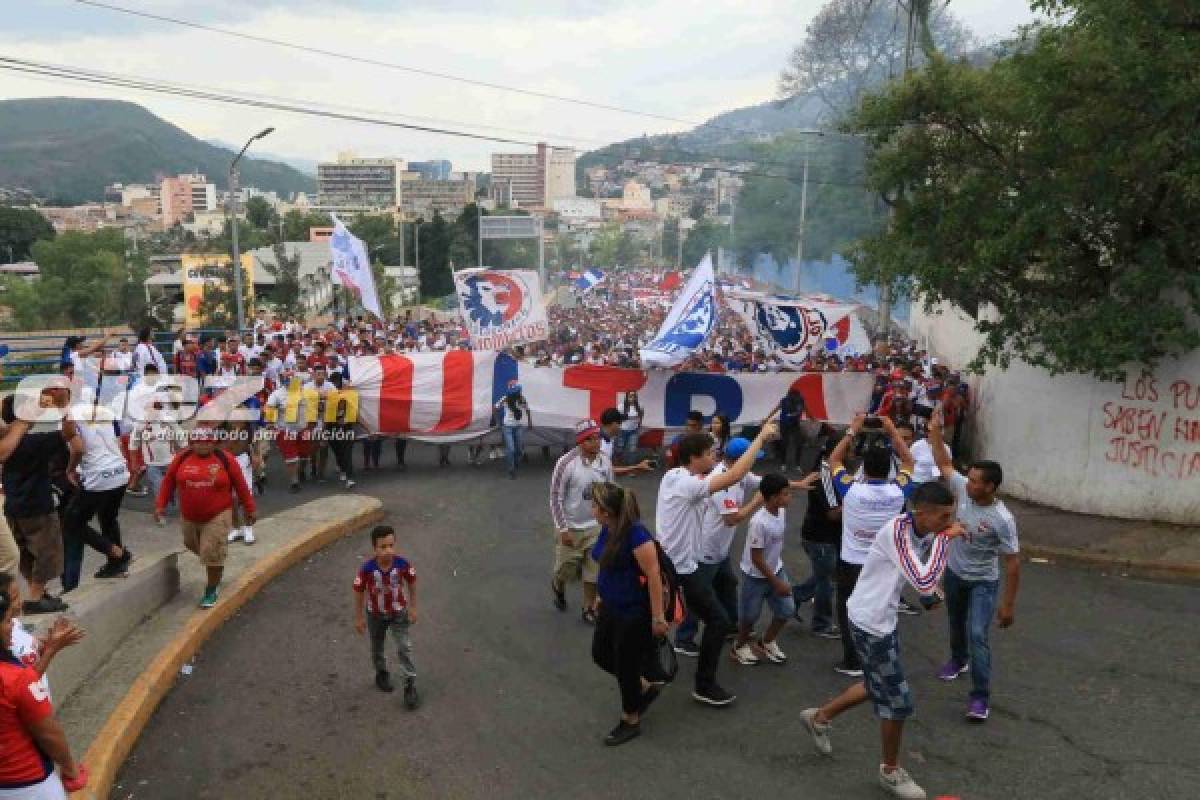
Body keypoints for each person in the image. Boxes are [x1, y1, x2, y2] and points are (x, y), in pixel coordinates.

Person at [800, 482, 966, 800]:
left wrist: (931, 593)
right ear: (922, 512)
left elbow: (916, 576)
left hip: (879, 617)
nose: (949, 522)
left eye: (951, 516)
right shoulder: (898, 531)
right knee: (898, 702)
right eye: (944, 517)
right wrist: (945, 542)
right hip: (871, 623)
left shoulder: (922, 530)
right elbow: (923, 579)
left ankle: (819, 718)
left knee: (876, 684)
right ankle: (890, 772)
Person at [654, 417, 779, 707]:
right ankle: (703, 683)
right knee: (717, 620)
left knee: (705, 612)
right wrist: (760, 438)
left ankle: (663, 664)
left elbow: (735, 475)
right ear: (694, 458)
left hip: (679, 563)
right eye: (709, 454)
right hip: (680, 567)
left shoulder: (680, 477)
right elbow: (734, 476)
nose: (715, 457)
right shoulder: (685, 483)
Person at [927, 413, 1020, 721]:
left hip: (983, 582)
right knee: (955, 623)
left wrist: (1007, 606)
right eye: (969, 478)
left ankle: (979, 698)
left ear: (990, 487)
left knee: (977, 634)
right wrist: (936, 433)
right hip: (955, 575)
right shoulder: (964, 489)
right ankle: (957, 660)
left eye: (976, 481)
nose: (968, 483)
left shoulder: (1002, 520)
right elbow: (944, 464)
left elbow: (1013, 562)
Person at [829, 414, 916, 677]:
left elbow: (834, 460)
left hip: (851, 562)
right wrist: (892, 430)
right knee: (881, 607)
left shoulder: (851, 489)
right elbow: (910, 461)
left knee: (846, 608)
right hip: (883, 562)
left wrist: (852, 430)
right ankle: (879, 654)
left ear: (864, 468)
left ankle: (852, 659)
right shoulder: (897, 491)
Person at [672, 436, 769, 657]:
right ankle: (683, 638)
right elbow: (732, 519)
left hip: (720, 549)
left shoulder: (740, 473)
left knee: (727, 585)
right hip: (706, 550)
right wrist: (756, 501)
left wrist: (791, 484)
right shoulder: (721, 482)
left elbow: (762, 481)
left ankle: (730, 626)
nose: (753, 463)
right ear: (738, 460)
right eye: (751, 458)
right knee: (699, 597)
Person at [589, 482, 667, 747]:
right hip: (611, 606)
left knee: (626, 666)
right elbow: (606, 564)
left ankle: (630, 719)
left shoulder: (637, 535)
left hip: (633, 613)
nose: (592, 510)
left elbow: (654, 576)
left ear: (607, 511)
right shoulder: (608, 529)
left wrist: (658, 617)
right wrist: (600, 595)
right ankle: (643, 687)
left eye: (595, 506)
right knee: (600, 654)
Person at [0, 574, 89, 797]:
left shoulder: (15, 630)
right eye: (11, 599)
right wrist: (70, 769)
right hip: (29, 781)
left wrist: (48, 644)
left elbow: (28, 656)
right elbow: (49, 735)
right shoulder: (13, 679)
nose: (18, 605)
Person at [155, 426, 256, 609]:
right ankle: (216, 559)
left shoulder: (226, 459)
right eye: (198, 442)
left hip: (218, 514)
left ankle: (212, 588)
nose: (203, 446)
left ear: (214, 443)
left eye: (207, 442)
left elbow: (241, 486)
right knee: (193, 545)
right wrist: (160, 505)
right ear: (191, 443)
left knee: (211, 552)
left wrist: (250, 509)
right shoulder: (182, 458)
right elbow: (168, 481)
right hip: (189, 516)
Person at [0, 394, 80, 611]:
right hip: (38, 504)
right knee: (48, 552)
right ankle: (35, 597)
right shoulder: (38, 441)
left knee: (24, 551)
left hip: (13, 504)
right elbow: (70, 433)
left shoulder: (4, 441)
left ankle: (39, 592)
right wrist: (64, 407)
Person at [549, 420, 614, 623]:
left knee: (593, 573)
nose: (596, 443)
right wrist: (562, 528)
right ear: (580, 442)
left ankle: (588, 608)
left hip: (596, 528)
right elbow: (555, 497)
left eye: (597, 438)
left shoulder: (605, 462)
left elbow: (611, 491)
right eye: (590, 440)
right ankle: (558, 587)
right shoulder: (566, 463)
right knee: (564, 571)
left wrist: (612, 522)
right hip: (571, 529)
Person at [63, 412, 135, 590]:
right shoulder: (103, 411)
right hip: (119, 471)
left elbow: (78, 449)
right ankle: (115, 564)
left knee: (72, 522)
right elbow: (120, 437)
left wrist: (70, 469)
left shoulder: (69, 416)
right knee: (108, 518)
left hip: (98, 476)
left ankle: (116, 552)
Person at [352, 525, 419, 710]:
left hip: (399, 612)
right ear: (374, 548)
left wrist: (413, 607)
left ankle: (410, 684)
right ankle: (381, 673)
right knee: (377, 646)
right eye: (383, 547)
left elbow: (412, 583)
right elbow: (358, 591)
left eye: (391, 545)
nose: (388, 550)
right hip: (375, 614)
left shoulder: (402, 564)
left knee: (404, 646)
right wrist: (358, 618)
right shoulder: (367, 569)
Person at [732, 473, 795, 665]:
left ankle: (766, 642)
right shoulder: (758, 523)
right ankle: (739, 647)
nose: (789, 497)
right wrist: (776, 583)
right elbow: (756, 558)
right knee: (749, 617)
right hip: (755, 576)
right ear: (773, 498)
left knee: (786, 610)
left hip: (776, 569)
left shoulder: (781, 511)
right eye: (785, 494)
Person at [792, 431, 842, 638]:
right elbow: (833, 513)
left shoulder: (835, 470)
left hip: (827, 536)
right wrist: (861, 502)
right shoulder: (826, 475)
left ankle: (796, 595)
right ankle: (821, 624)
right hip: (820, 537)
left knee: (828, 575)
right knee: (826, 581)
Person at [265, 368, 313, 493]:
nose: (289, 381)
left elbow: (313, 406)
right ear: (282, 380)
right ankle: (294, 482)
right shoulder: (276, 394)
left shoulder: (305, 392)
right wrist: (270, 423)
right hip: (285, 431)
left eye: (291, 379)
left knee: (304, 456)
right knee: (291, 458)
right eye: (286, 379)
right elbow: (269, 408)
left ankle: (301, 472)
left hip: (303, 429)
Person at [495, 380, 532, 479]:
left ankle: (515, 464)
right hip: (507, 427)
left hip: (518, 427)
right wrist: (498, 422)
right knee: (511, 449)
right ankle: (511, 470)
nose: (518, 393)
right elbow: (495, 407)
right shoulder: (505, 399)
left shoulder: (522, 399)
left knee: (519, 450)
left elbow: (528, 410)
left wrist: (530, 423)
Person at [776, 387, 807, 471]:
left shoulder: (800, 400)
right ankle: (783, 463)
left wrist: (812, 418)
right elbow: (776, 409)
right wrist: (767, 418)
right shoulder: (784, 400)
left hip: (794, 425)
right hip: (785, 424)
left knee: (799, 443)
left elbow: (805, 410)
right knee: (785, 443)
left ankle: (797, 465)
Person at [618, 391, 643, 464]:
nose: (632, 398)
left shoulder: (640, 406)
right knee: (620, 448)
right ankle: (619, 464)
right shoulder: (621, 406)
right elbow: (618, 418)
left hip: (633, 431)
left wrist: (638, 426)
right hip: (622, 430)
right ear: (627, 397)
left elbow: (641, 417)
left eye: (634, 396)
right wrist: (628, 417)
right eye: (630, 396)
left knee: (632, 449)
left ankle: (631, 467)